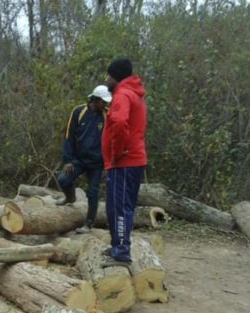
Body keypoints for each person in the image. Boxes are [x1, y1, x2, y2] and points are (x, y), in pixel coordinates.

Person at [101, 58, 147, 268]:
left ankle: (120, 253)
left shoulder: (122, 95)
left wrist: (116, 153)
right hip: (130, 161)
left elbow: (119, 123)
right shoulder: (133, 95)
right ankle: (117, 245)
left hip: (124, 162)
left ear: (116, 76)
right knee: (119, 207)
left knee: (119, 208)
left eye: (108, 75)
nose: (106, 78)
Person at [56, 85, 112, 234]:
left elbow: (110, 142)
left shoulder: (107, 116)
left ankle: (89, 223)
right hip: (79, 159)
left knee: (93, 192)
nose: (105, 105)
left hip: (97, 162)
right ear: (95, 99)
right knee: (63, 180)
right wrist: (67, 160)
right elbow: (68, 136)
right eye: (103, 102)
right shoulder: (78, 112)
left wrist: (108, 164)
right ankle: (70, 197)